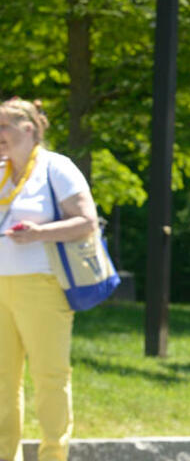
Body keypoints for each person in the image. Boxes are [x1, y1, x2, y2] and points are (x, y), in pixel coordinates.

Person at [0, 98, 98, 461]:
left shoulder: (56, 167)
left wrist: (39, 233)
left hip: (42, 286)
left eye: (4, 126)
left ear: (29, 129)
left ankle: (53, 455)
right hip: (0, 286)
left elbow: (87, 221)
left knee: (49, 379)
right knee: (2, 383)